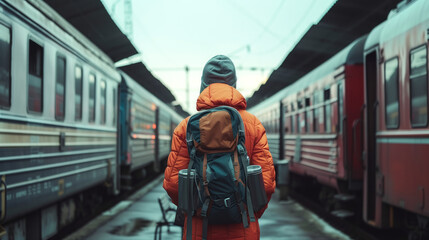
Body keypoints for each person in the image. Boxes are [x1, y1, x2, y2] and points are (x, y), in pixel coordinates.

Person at [163, 55, 276, 240]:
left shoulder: (186, 126)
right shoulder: (253, 125)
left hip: (200, 230)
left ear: (203, 84)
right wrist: (247, 211)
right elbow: (267, 185)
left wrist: (197, 210)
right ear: (234, 84)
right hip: (244, 227)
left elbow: (173, 184)